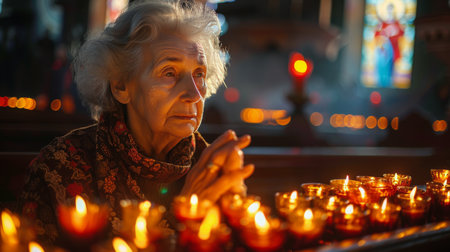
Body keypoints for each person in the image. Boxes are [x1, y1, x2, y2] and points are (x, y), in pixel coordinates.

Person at [17, 0, 254, 244]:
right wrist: (186, 217)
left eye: (199, 74)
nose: (194, 94)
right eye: (169, 72)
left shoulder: (213, 170)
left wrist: (238, 221)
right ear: (121, 85)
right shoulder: (61, 167)